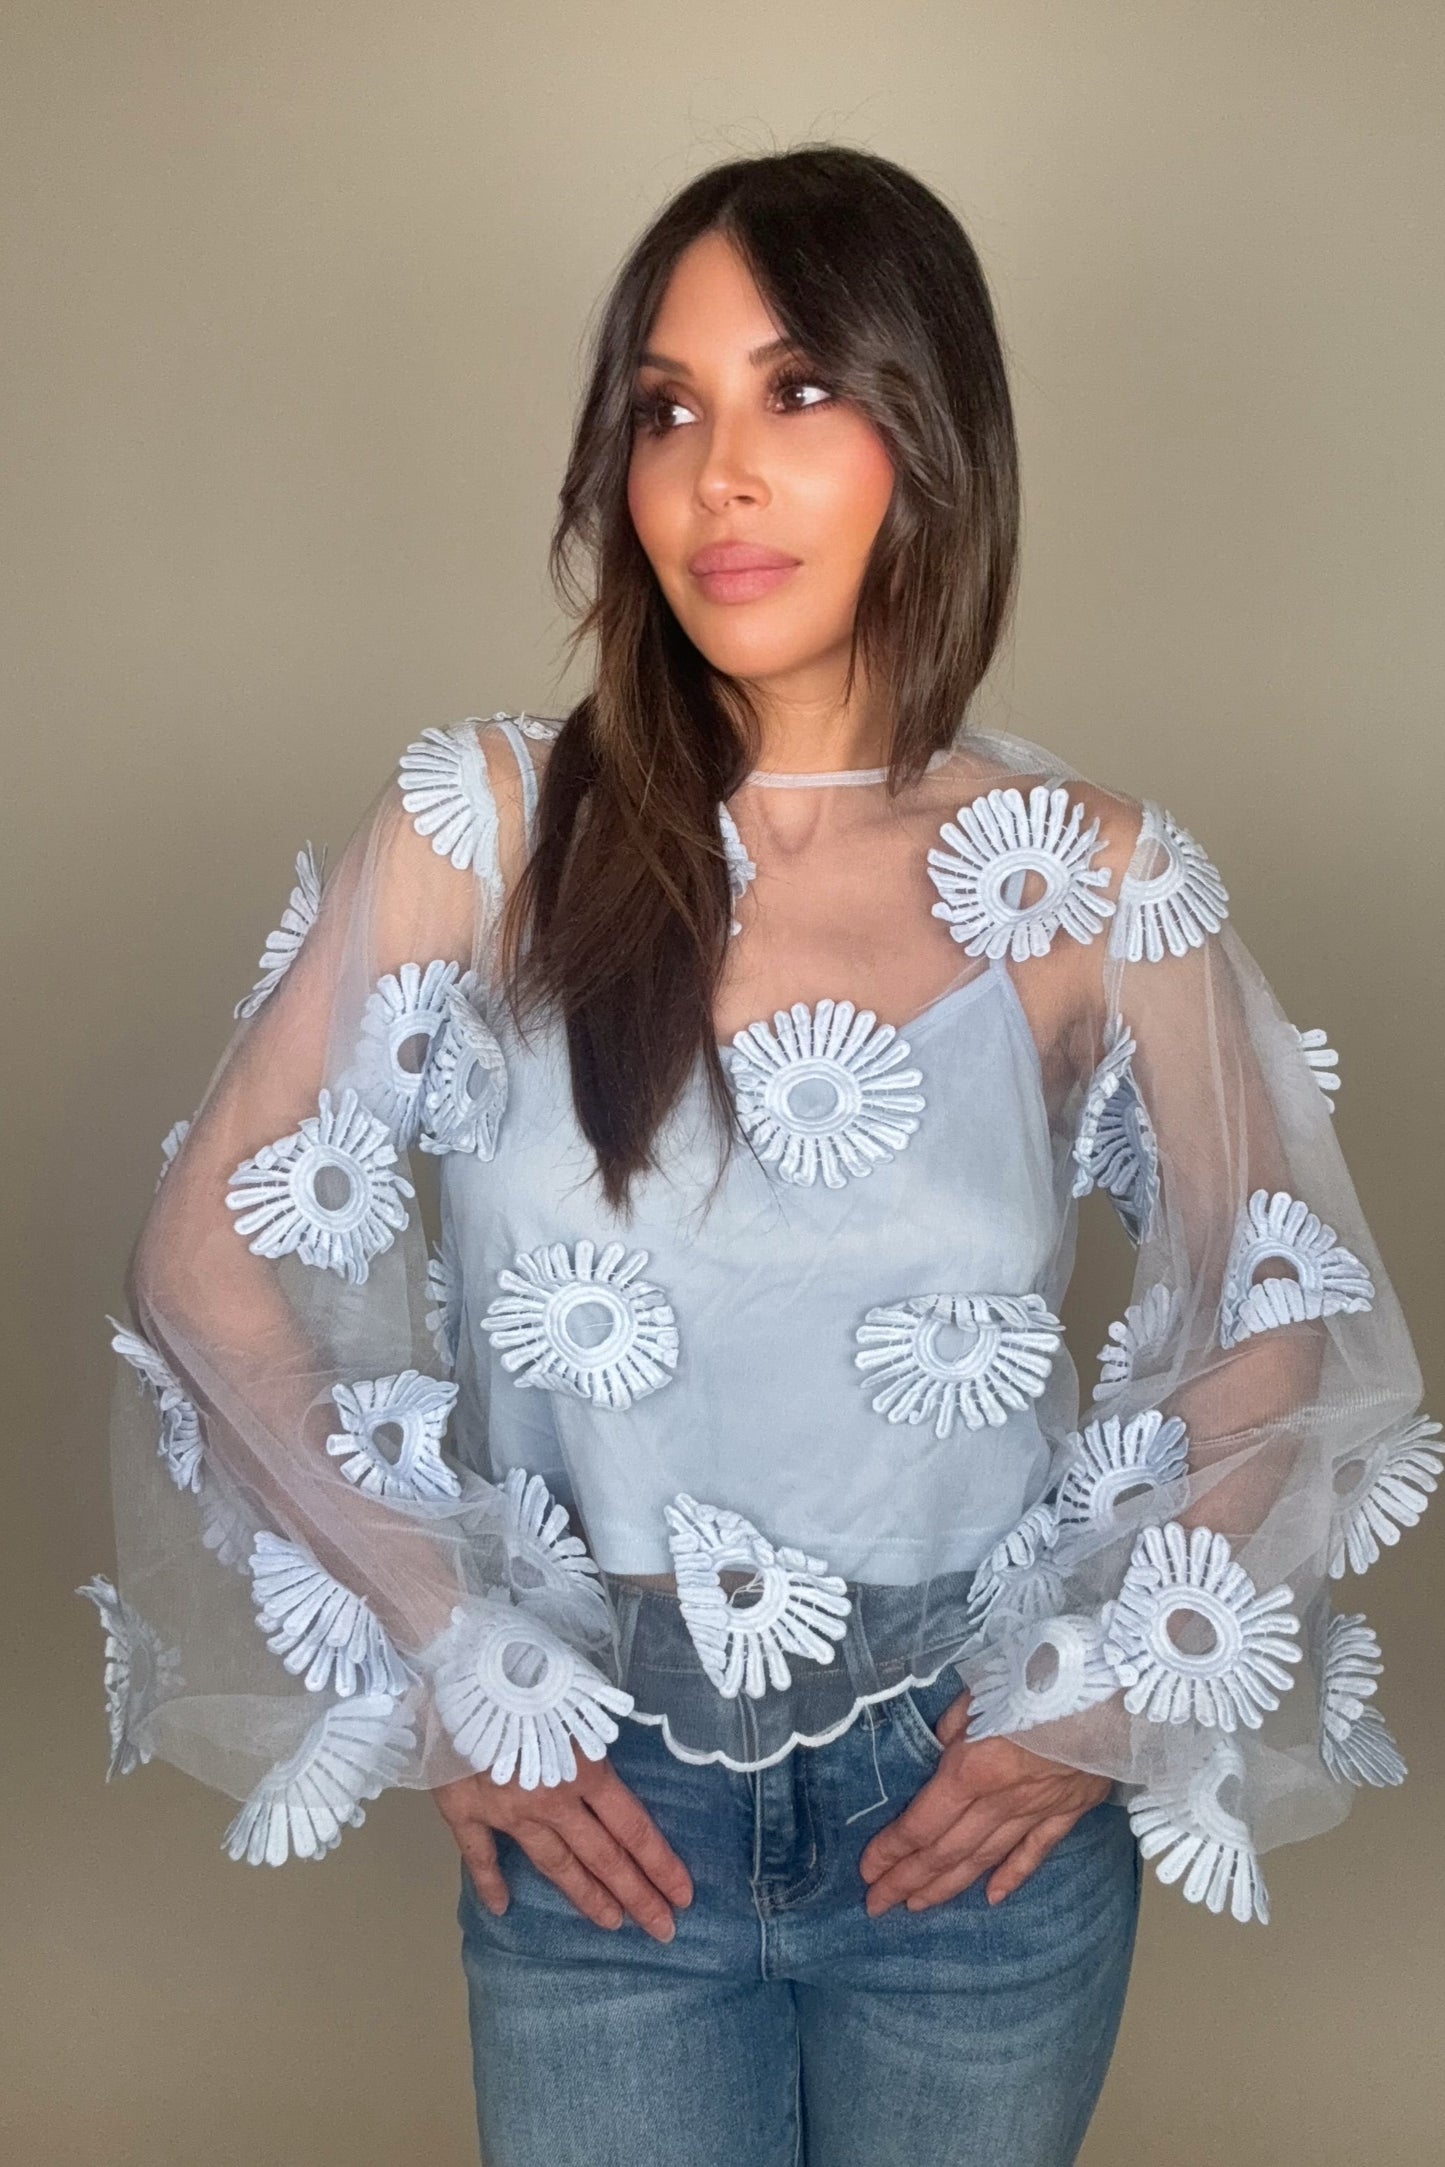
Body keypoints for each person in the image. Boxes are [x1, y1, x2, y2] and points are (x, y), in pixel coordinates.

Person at [82, 146, 1435, 2167]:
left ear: (931, 429)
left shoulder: (1082, 883)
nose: (718, 468)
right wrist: (452, 1646)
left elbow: (1284, 1303)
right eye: (666, 405)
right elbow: (202, 1252)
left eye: (798, 389)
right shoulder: (487, 832)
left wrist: (1097, 1694)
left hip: (965, 1817)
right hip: (599, 1814)